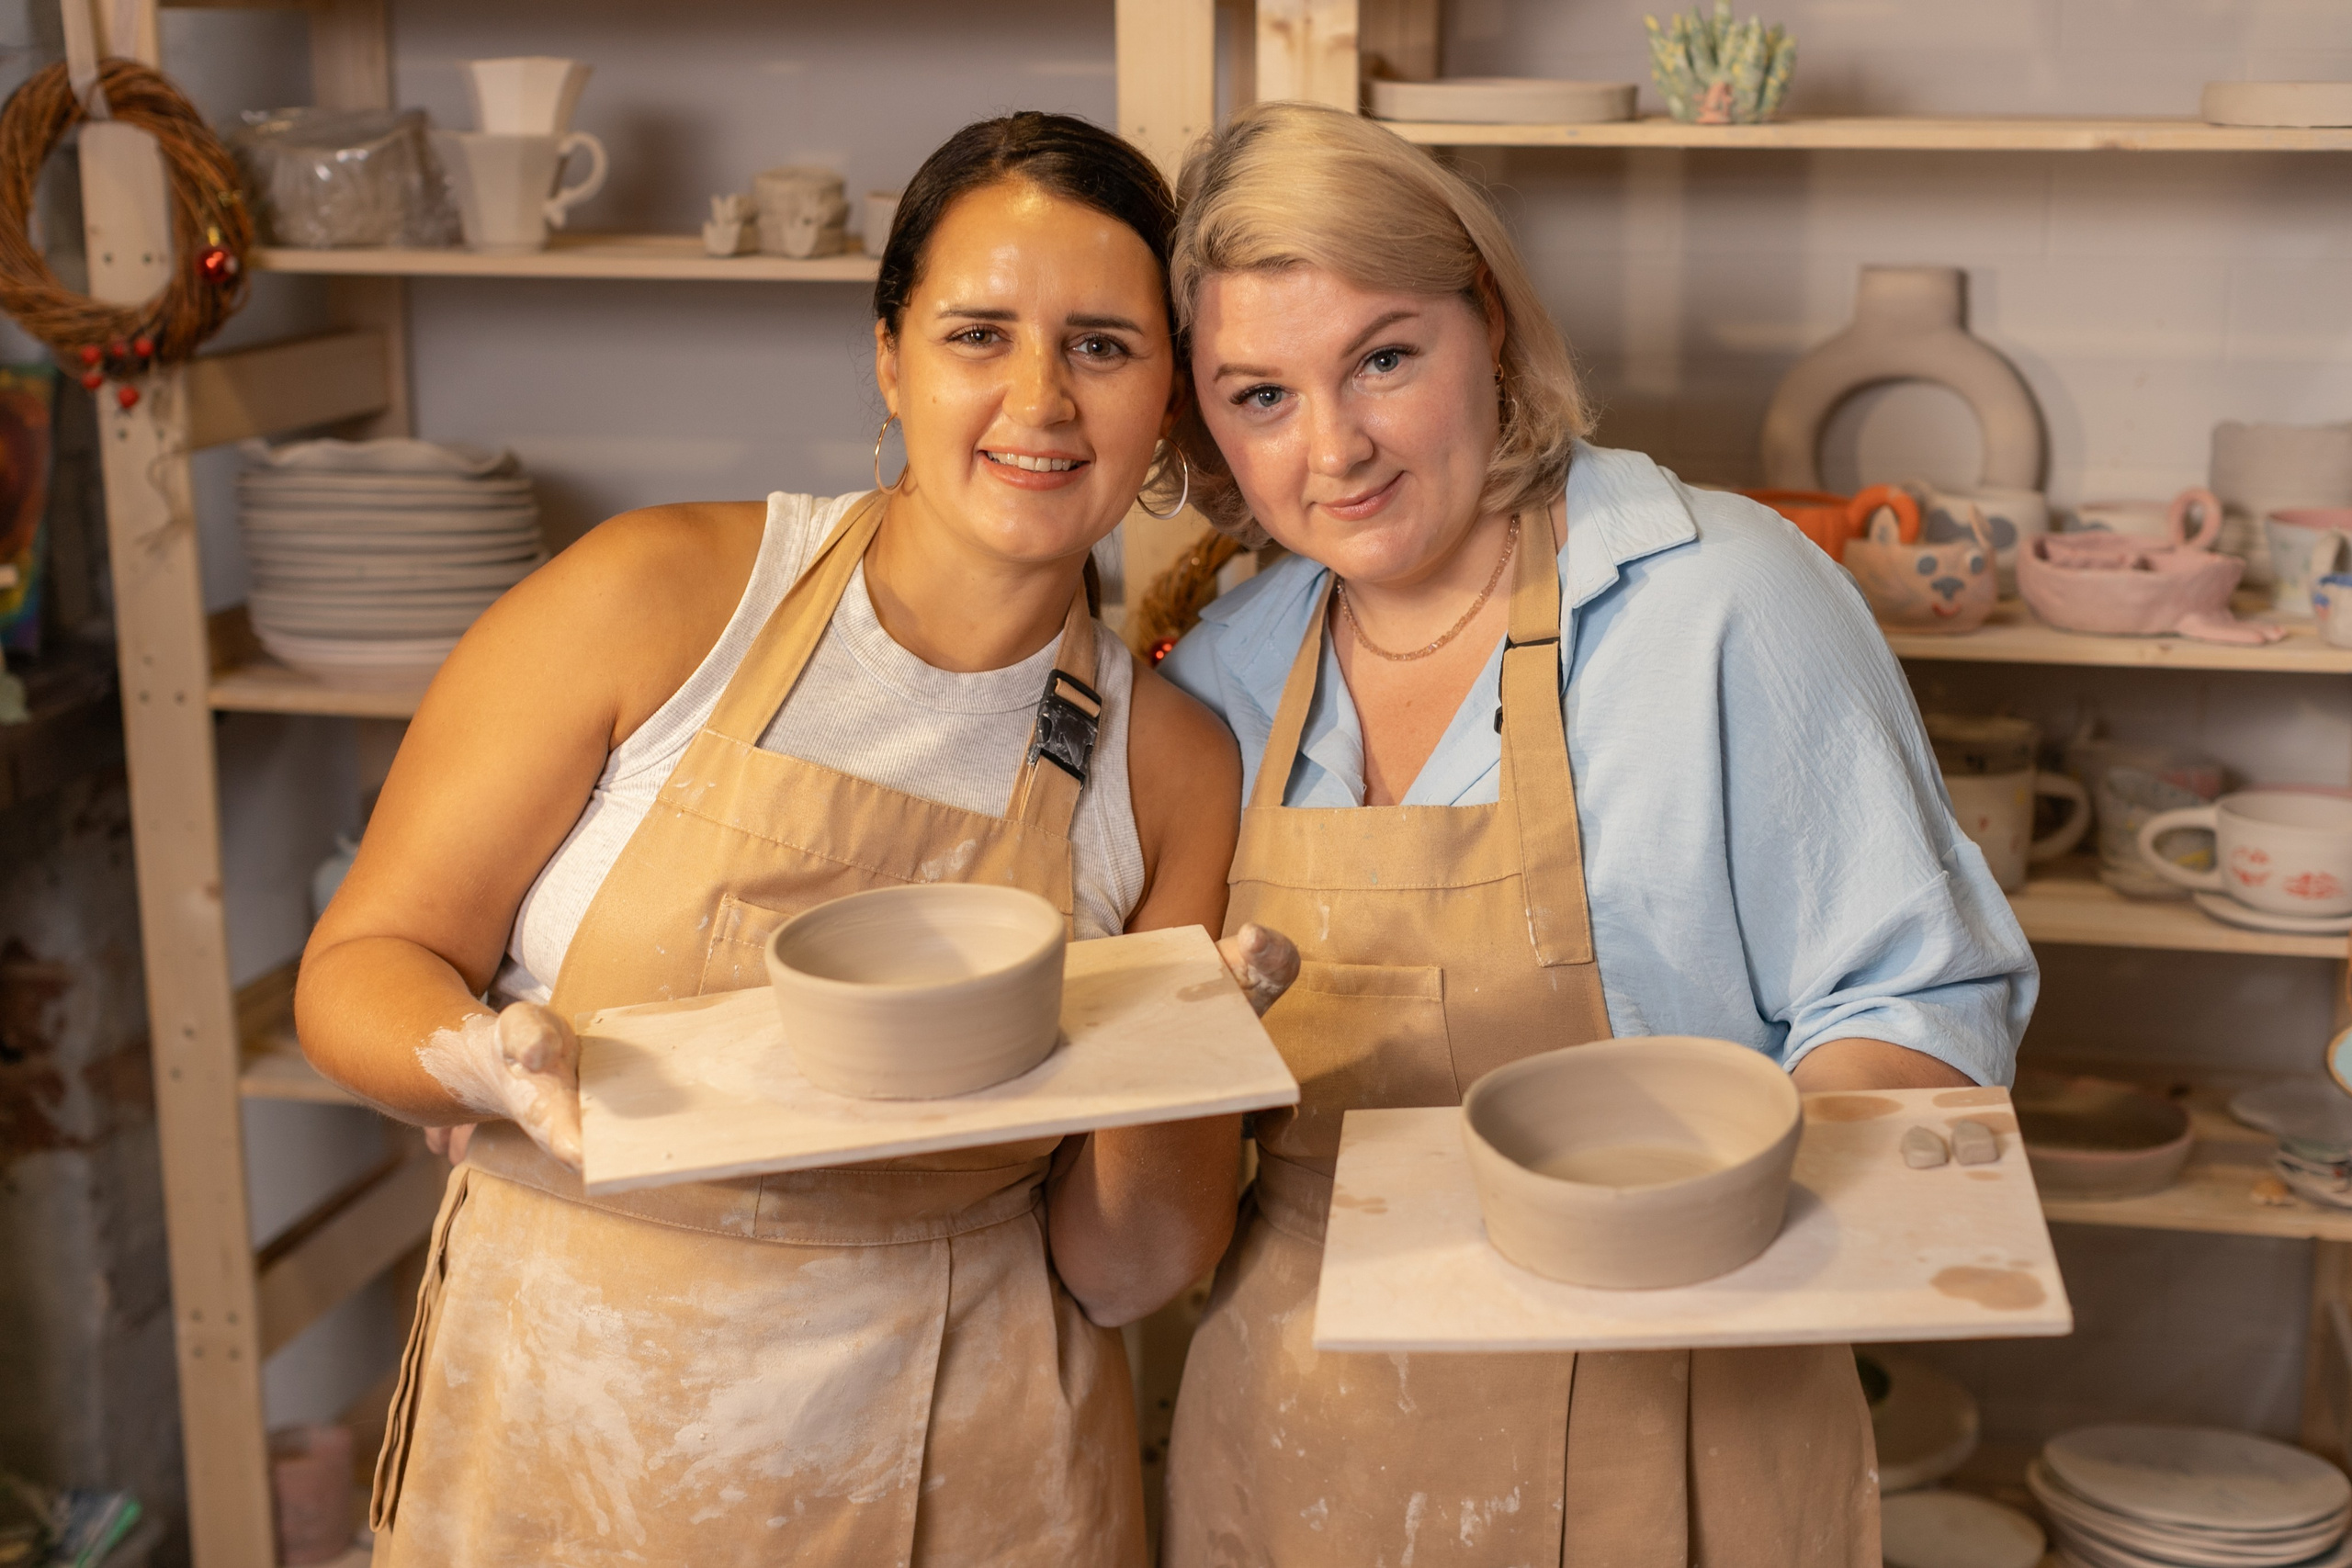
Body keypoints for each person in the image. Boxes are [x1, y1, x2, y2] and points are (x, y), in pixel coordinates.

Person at [297, 111, 1295, 1566]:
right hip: (567, 1438)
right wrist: (486, 1065)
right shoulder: (652, 599)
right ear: (889, 359)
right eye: (977, 334)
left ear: (1168, 400)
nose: (1040, 399)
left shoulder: (1175, 766)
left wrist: (1178, 1053)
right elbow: (360, 966)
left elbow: (1125, 1269)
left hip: (966, 1467)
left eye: (1102, 345)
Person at [1154, 101, 2036, 1567]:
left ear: (1488, 323)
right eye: (1262, 395)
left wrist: (1706, 1195)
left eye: (1385, 358)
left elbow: (1922, 1000)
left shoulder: (1722, 597)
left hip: (1679, 1394)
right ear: (1205, 418)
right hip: (1303, 1430)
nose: (1336, 447)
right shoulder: (1220, 683)